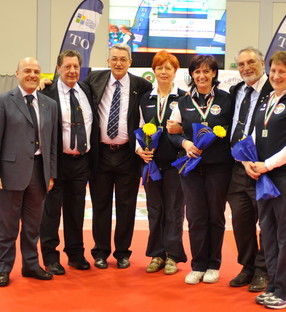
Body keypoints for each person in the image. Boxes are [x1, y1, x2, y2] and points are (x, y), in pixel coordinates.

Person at [227, 47, 286, 292]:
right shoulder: (265, 99)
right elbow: (255, 134)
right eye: (274, 71)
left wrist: (266, 164)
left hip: (285, 175)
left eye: (282, 72)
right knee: (267, 231)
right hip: (257, 172)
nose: (276, 75)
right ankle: (273, 286)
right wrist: (247, 159)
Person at [84, 43, 152, 269]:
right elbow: (70, 90)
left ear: (130, 62)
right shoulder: (94, 80)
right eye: (114, 58)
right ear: (108, 60)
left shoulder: (142, 85)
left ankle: (123, 252)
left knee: (127, 206)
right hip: (101, 154)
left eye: (123, 59)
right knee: (100, 205)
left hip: (127, 155)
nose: (118, 63)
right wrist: (47, 85)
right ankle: (100, 252)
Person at [168, 55, 234, 285]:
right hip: (191, 168)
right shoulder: (183, 102)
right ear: (192, 75)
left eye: (207, 71)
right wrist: (185, 143)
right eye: (197, 72)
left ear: (214, 73)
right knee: (195, 217)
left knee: (215, 216)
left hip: (219, 167)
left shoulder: (228, 99)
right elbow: (171, 133)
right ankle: (197, 265)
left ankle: (213, 264)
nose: (202, 76)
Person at [39, 50, 99, 274]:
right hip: (57, 162)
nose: (72, 71)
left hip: (81, 161)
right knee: (51, 212)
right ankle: (50, 256)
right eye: (67, 67)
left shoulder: (86, 89)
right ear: (58, 69)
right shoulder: (47, 92)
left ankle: (75, 254)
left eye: (76, 67)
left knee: (76, 210)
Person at [0, 57, 58, 287]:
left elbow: (52, 143)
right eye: (27, 71)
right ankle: (3, 268)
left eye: (36, 71)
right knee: (8, 225)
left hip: (40, 172)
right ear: (17, 74)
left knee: (34, 225)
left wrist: (51, 173)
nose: (32, 75)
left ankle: (31, 265)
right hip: (10, 172)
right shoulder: (4, 101)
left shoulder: (48, 104)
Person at [136, 50, 187, 275]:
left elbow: (191, 128)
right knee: (155, 209)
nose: (163, 72)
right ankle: (157, 254)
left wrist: (182, 130)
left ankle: (173, 256)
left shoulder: (185, 98)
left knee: (174, 210)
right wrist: (140, 151)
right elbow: (136, 127)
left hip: (176, 164)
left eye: (168, 68)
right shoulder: (145, 98)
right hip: (151, 164)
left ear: (175, 71)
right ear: (153, 71)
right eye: (159, 67)